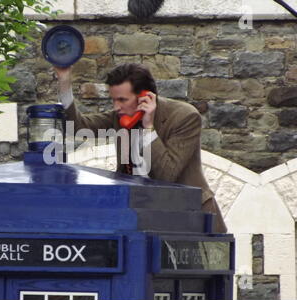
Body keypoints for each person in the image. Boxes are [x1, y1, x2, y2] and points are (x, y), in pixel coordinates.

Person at [55, 63, 227, 233]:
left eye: (122, 100)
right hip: (145, 219)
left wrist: (148, 128)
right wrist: (64, 80)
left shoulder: (184, 117)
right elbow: (76, 127)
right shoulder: (119, 117)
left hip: (191, 219)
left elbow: (166, 174)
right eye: (113, 100)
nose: (116, 107)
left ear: (145, 97)